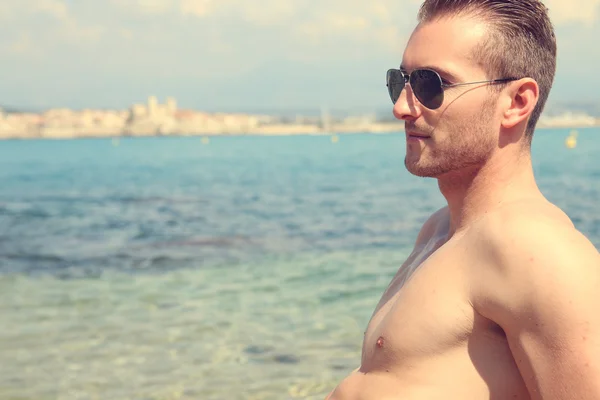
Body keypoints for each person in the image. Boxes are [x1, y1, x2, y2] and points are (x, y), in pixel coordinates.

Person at [326, 0, 600, 399]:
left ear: (517, 102)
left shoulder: (537, 251)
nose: (401, 106)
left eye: (430, 85)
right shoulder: (438, 230)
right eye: (399, 81)